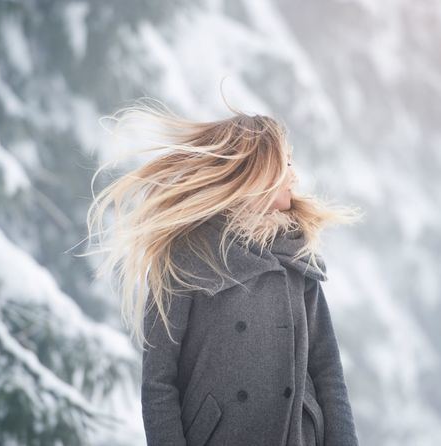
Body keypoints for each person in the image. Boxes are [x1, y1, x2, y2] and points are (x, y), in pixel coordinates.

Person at [85, 97, 363, 445]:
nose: (294, 174)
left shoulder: (297, 257)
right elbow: (158, 383)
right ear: (257, 171)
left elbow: (328, 372)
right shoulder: (186, 256)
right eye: (286, 163)